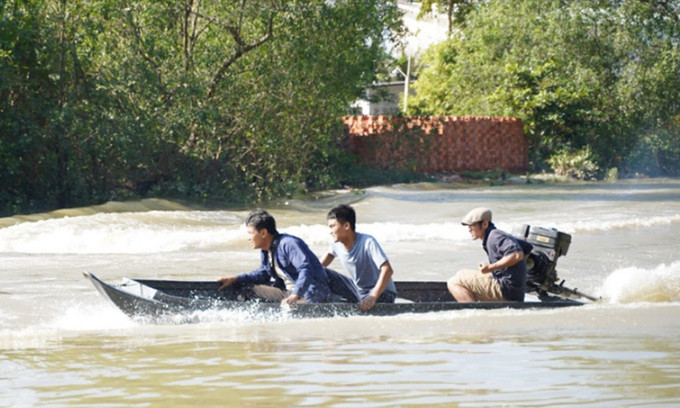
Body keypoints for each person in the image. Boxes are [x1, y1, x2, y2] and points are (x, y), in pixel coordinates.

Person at [218, 209, 330, 306]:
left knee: (288, 307)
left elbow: (306, 269)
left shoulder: (289, 244)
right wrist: (236, 278)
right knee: (245, 289)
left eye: (250, 233)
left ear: (263, 233)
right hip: (287, 292)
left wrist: (295, 295)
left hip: (310, 294)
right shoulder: (266, 250)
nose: (248, 238)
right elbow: (263, 275)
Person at [319, 204, 397, 311]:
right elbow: (317, 267)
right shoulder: (336, 244)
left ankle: (353, 303)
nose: (330, 231)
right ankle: (325, 302)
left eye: (333, 226)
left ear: (346, 226)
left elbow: (387, 270)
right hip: (359, 291)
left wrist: (372, 297)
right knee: (321, 272)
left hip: (382, 294)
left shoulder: (367, 242)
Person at [447, 207, 530, 303]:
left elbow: (517, 255)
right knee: (461, 273)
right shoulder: (495, 235)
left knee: (454, 282)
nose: (469, 229)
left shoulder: (495, 237)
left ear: (485, 224)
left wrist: (491, 267)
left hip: (506, 291)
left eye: (472, 225)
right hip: (511, 289)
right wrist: (515, 274)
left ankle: (472, 311)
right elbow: (527, 248)